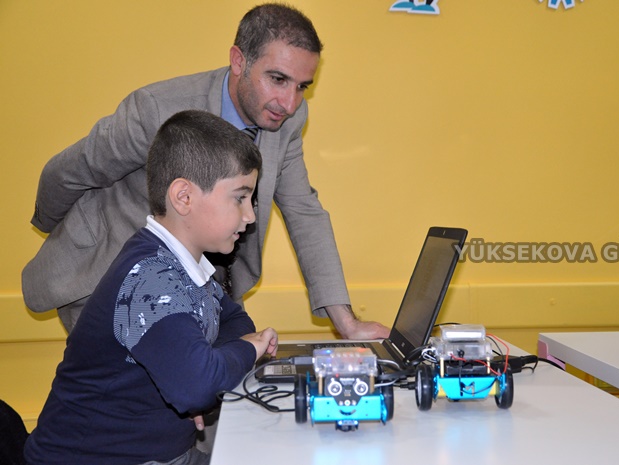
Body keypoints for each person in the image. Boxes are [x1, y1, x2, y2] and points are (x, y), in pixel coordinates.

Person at [22, 3, 389, 339]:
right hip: (109, 277)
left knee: (216, 380)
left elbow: (303, 210)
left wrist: (348, 324)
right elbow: (70, 171)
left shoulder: (288, 119)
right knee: (149, 389)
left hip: (203, 284)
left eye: (302, 87)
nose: (290, 103)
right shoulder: (157, 109)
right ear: (238, 61)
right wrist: (58, 231)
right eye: (278, 79)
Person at [24, 110, 279, 465]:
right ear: (183, 197)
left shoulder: (183, 267)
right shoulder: (151, 278)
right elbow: (198, 386)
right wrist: (247, 350)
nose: (250, 216)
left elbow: (235, 322)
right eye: (240, 197)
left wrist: (201, 370)